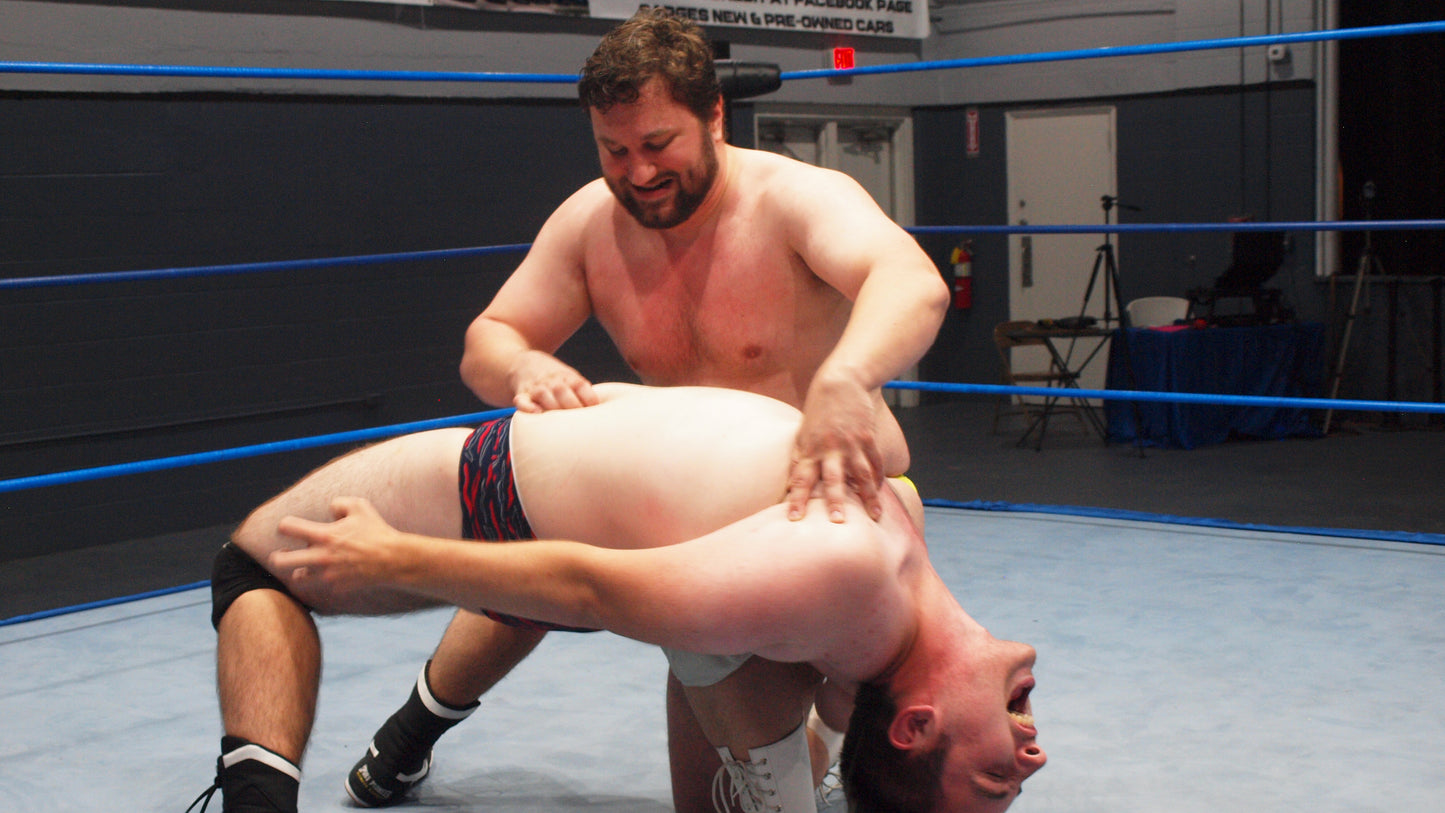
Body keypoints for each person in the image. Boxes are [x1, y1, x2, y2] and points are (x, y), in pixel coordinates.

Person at [347, 7, 950, 811]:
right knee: (532, 556)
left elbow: (911, 282)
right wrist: (524, 361)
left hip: (831, 502)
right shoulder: (591, 223)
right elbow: (486, 340)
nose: (637, 172)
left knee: (854, 717)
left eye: (658, 144)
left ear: (713, 116)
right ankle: (413, 727)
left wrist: (846, 377)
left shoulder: (795, 199)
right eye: (614, 149)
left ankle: (826, 744)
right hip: (683, 509)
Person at [198, 385, 1045, 813]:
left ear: (917, 724)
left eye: (996, 776)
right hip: (608, 512)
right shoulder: (878, 608)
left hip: (516, 499)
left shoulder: (841, 568)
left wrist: (400, 556)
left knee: (254, 569)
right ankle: (406, 739)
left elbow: (587, 585)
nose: (1030, 753)